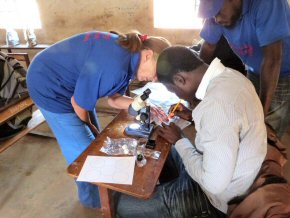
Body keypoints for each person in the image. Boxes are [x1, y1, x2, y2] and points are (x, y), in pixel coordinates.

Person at [115, 46, 267, 218]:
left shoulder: (217, 107)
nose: (178, 96)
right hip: (231, 170)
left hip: (216, 198)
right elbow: (229, 123)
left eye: (173, 90)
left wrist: (180, 139)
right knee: (167, 147)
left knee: (123, 206)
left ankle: (176, 203)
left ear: (180, 79)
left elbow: (214, 184)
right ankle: (171, 195)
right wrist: (192, 115)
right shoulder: (232, 76)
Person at [26, 30, 171, 208]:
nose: (154, 80)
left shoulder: (128, 58)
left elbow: (114, 98)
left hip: (67, 82)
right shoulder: (115, 65)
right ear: (148, 55)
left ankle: (101, 189)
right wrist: (90, 129)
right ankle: (93, 200)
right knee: (85, 153)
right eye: (156, 75)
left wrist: (142, 104)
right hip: (47, 85)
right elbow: (78, 104)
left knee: (96, 141)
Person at [198, 0, 290, 138]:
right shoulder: (218, 14)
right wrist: (198, 87)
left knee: (265, 132)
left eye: (217, 13)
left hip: (282, 73)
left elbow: (272, 59)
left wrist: (261, 115)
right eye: (212, 16)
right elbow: (207, 47)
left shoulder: (267, 3)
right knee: (244, 121)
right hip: (254, 69)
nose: (216, 19)